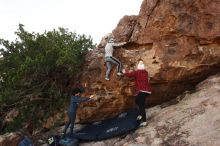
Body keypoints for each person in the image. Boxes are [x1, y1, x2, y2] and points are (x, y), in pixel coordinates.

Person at [122, 59, 152, 126]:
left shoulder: (137, 72)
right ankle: (140, 115)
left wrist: (124, 71)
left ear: (138, 67)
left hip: (142, 91)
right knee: (137, 101)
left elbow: (129, 75)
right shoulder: (146, 72)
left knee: (141, 105)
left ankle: (144, 121)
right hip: (146, 91)